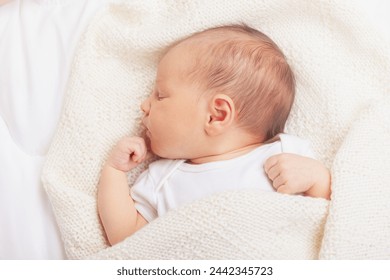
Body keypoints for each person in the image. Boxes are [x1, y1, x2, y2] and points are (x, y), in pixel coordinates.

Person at [97, 24, 331, 246]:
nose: (144, 105)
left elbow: (322, 226)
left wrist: (318, 179)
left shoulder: (287, 155)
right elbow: (125, 237)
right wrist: (115, 171)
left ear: (216, 115)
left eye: (160, 95)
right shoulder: (162, 180)